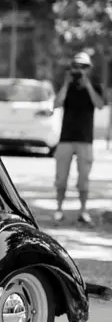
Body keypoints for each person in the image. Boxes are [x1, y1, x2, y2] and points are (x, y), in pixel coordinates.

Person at [52, 51, 106, 225]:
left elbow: (99, 105)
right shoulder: (66, 86)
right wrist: (67, 85)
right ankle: (59, 209)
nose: (79, 70)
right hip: (66, 138)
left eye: (83, 67)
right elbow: (56, 104)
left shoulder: (95, 85)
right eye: (76, 66)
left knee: (84, 178)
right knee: (61, 177)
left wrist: (87, 85)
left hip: (85, 139)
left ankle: (83, 211)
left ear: (88, 68)